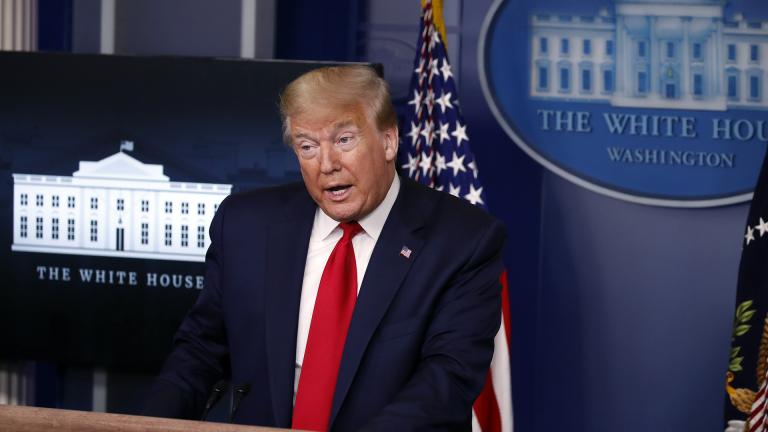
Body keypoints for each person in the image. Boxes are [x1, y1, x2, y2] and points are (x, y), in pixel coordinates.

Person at [143, 65, 506, 431]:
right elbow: (201, 351)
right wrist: (141, 426)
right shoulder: (244, 226)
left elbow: (447, 378)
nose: (327, 165)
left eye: (344, 139)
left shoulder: (462, 240)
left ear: (388, 141)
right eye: (307, 147)